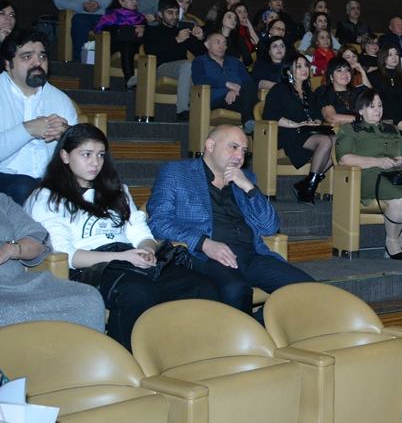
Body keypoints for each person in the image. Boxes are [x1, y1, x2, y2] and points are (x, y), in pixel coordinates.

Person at [26, 124, 219, 348]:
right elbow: (66, 254)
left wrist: (147, 249)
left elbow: (140, 231)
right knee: (137, 293)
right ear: (65, 156)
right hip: (89, 267)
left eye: (100, 155)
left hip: (129, 258)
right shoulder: (48, 198)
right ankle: (125, 358)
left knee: (200, 286)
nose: (95, 162)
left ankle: (189, 352)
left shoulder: (116, 190)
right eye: (86, 154)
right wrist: (123, 257)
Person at [147, 125, 313, 313]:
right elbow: (158, 222)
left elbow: (270, 227)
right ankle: (241, 338)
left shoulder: (245, 178)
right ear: (210, 145)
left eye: (243, 151)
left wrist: (249, 188)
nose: (239, 156)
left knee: (307, 289)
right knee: (236, 290)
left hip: (252, 255)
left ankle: (263, 329)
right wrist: (204, 243)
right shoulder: (177, 173)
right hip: (206, 256)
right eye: (233, 147)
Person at [335, 88, 402, 259]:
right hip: (366, 175)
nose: (378, 110)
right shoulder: (350, 129)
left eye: (380, 105)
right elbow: (344, 159)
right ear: (361, 110)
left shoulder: (391, 129)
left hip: (395, 175)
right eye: (372, 106)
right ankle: (391, 242)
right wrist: (378, 162)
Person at [0, 192, 104, 333]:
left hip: (18, 284)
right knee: (9, 312)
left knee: (89, 298)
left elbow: (37, 237)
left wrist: (12, 249)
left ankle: (75, 354)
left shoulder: (3, 201)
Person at [0, 29, 78, 203]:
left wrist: (67, 136)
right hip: (5, 179)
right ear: (7, 64)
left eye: (42, 57)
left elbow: (80, 153)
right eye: (27, 57)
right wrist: (27, 130)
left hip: (49, 181)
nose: (37, 63)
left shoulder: (60, 100)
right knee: (25, 187)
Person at [261, 56, 336, 203]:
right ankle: (308, 188)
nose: (304, 69)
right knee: (326, 142)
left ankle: (307, 184)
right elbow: (269, 115)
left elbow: (317, 114)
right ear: (289, 71)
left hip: (308, 132)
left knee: (337, 141)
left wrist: (316, 121)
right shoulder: (280, 89)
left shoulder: (309, 91)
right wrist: (295, 124)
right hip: (289, 134)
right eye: (299, 66)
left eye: (306, 66)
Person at [142, 0, 204, 119]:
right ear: (160, 14)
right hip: (160, 68)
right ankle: (182, 110)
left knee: (199, 65)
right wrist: (177, 40)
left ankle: (201, 110)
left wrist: (200, 38)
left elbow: (201, 53)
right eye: (170, 13)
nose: (174, 16)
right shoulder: (152, 31)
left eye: (176, 12)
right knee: (188, 65)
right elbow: (152, 54)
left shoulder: (182, 31)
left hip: (182, 69)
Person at [191, 29, 258, 134]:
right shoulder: (199, 61)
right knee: (255, 107)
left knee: (252, 87)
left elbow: (247, 81)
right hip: (215, 100)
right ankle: (249, 123)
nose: (221, 46)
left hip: (238, 97)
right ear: (207, 44)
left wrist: (235, 91)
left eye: (224, 43)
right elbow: (200, 80)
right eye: (217, 42)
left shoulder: (235, 62)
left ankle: (249, 123)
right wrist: (227, 84)